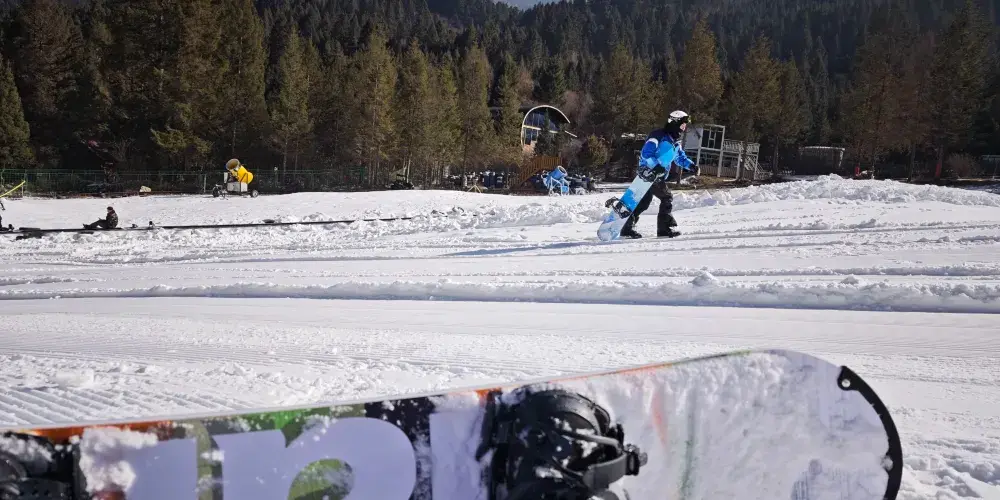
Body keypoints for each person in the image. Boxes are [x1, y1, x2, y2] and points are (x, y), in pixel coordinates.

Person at [620, 110, 698, 239]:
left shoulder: (674, 141)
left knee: (644, 202)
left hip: (657, 174)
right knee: (666, 197)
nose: (684, 129)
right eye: (682, 125)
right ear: (675, 123)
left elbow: (680, 158)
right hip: (650, 172)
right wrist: (655, 166)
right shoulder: (658, 135)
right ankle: (664, 229)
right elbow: (646, 153)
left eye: (685, 126)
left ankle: (627, 228)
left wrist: (691, 166)